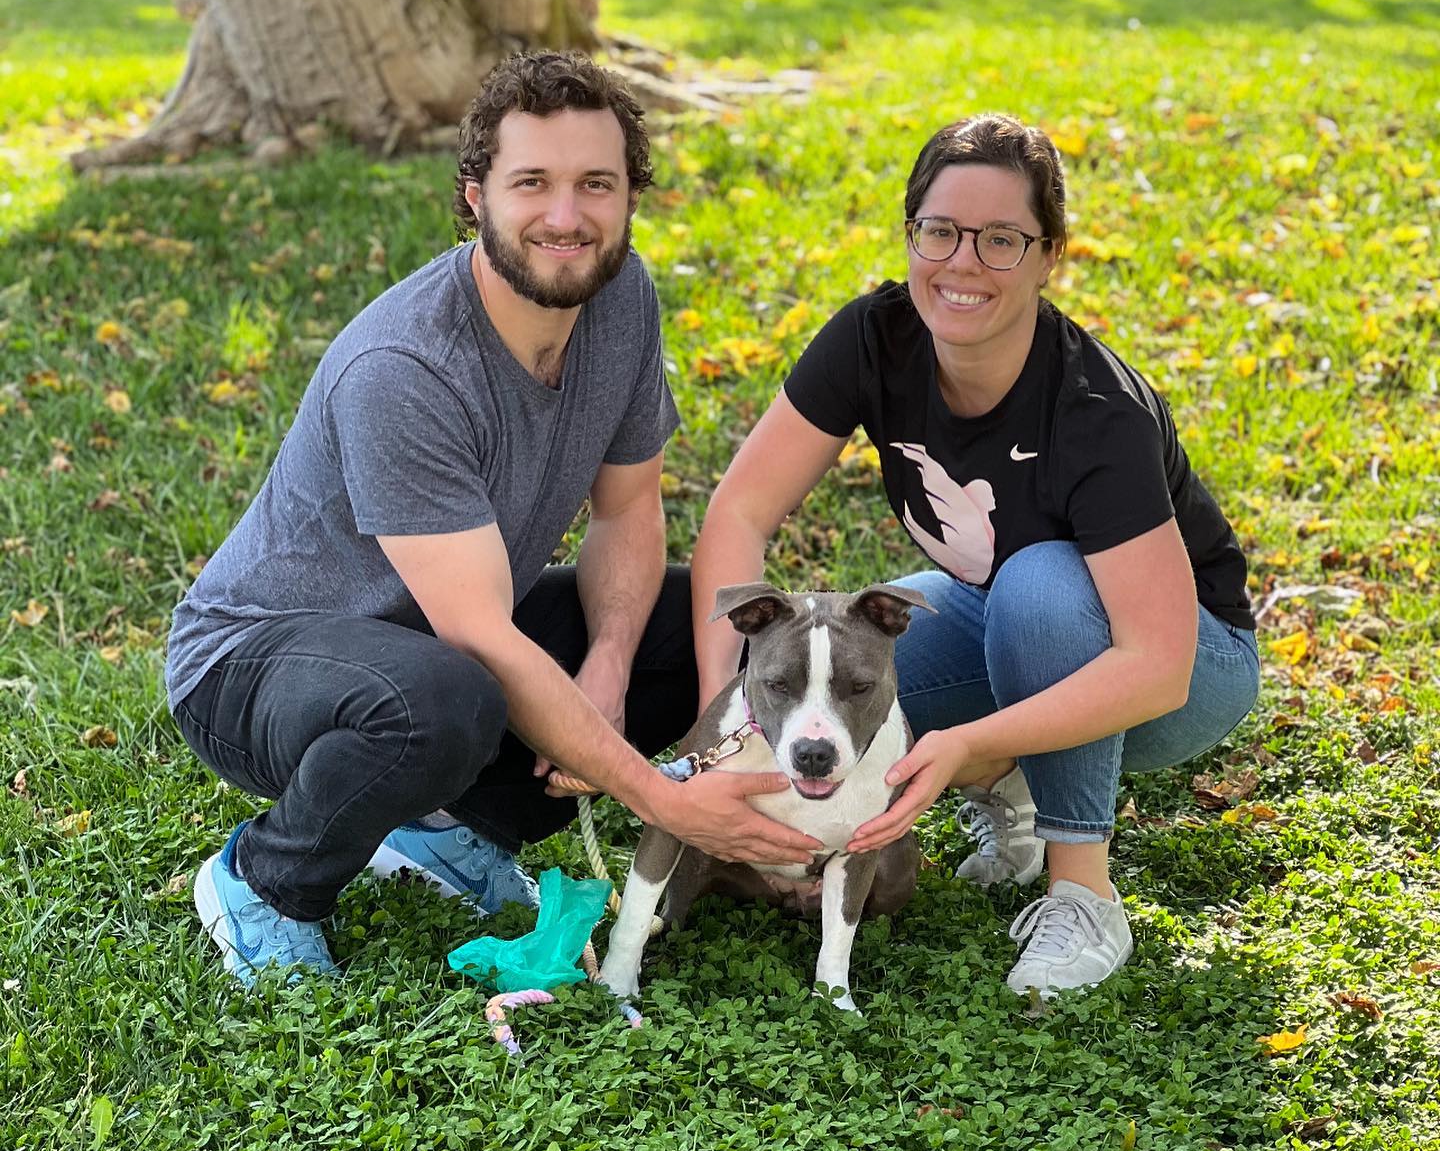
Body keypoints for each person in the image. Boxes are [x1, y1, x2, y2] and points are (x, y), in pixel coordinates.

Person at [166, 51, 819, 986]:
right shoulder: (406, 367)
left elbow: (627, 511)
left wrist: (608, 664)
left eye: (596, 183)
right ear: (475, 196)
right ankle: (265, 882)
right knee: (449, 699)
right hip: (253, 664)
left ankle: (449, 832)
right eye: (532, 184)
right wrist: (663, 802)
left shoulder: (621, 298)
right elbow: (478, 636)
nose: (566, 216)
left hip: (436, 637)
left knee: (695, 623)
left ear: (632, 195)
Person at [691, 113, 1259, 997]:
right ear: (910, 233)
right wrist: (727, 727)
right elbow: (738, 512)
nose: (963, 263)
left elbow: (1158, 668)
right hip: (1013, 622)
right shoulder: (876, 337)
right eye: (941, 231)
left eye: (1002, 241)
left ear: (1049, 256)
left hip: (1190, 665)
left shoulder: (1092, 410)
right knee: (860, 653)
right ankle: (1022, 803)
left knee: (1039, 583)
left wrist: (970, 744)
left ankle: (1084, 893)